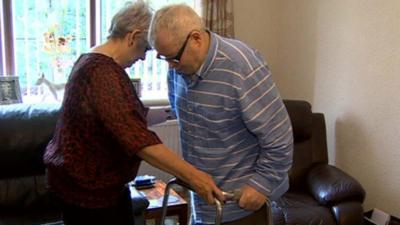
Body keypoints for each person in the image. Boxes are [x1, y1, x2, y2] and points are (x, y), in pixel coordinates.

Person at [43, 2, 224, 225]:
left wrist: (171, 113)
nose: (142, 58)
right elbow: (139, 141)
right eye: (145, 49)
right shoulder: (102, 73)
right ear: (132, 36)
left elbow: (120, 117)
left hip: (82, 184)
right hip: (88, 191)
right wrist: (195, 176)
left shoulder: (89, 59)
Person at [148, 4, 293, 225]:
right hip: (203, 204)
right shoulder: (178, 68)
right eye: (163, 58)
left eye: (173, 58)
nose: (169, 66)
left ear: (196, 39)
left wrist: (261, 185)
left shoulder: (242, 66)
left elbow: (280, 138)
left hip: (242, 207)